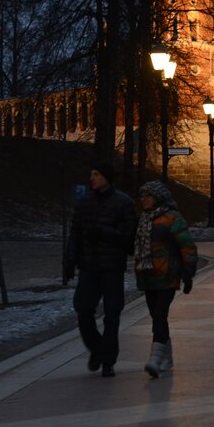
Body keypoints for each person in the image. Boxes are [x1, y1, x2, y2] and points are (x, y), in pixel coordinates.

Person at [64, 161, 138, 377]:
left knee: (112, 314)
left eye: (96, 174)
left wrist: (104, 232)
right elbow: (75, 233)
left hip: (112, 267)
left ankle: (109, 361)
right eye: (91, 174)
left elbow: (129, 238)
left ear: (106, 177)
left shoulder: (123, 203)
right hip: (89, 266)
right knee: (83, 310)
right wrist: (70, 260)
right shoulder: (84, 202)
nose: (92, 178)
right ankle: (98, 349)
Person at [134, 181, 198, 379]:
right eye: (142, 196)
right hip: (148, 276)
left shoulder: (173, 218)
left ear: (158, 197)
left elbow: (187, 246)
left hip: (168, 275)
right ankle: (167, 357)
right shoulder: (144, 219)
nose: (143, 199)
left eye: (147, 195)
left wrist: (188, 273)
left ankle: (155, 359)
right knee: (156, 316)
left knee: (160, 315)